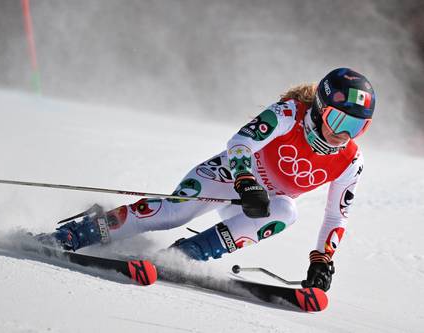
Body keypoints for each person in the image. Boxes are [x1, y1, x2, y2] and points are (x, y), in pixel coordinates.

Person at [49, 68, 375, 292]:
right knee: (173, 214)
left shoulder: (350, 160)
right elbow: (240, 143)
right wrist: (246, 181)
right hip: (226, 178)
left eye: (356, 127)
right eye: (337, 120)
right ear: (319, 109)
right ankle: (76, 233)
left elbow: (335, 215)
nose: (341, 135)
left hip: (253, 210)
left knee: (287, 211)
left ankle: (185, 255)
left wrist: (322, 261)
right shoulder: (290, 113)